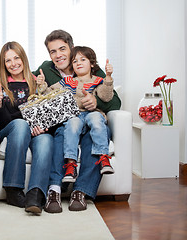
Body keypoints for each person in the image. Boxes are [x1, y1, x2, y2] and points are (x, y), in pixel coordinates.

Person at [33, 30, 121, 213]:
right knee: (60, 134)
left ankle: (81, 191)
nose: (58, 55)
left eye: (62, 49)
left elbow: (115, 101)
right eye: (53, 51)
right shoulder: (46, 68)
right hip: (65, 124)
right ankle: (54, 190)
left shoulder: (89, 65)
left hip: (90, 121)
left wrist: (96, 102)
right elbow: (33, 89)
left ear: (71, 48)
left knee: (94, 136)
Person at [37, 46, 115, 184]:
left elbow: (106, 96)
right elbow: (50, 93)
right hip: (75, 115)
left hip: (92, 113)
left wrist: (108, 77)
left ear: (92, 64)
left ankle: (104, 157)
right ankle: (71, 164)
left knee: (97, 120)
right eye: (75, 61)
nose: (78, 63)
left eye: (82, 60)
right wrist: (42, 85)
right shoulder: (68, 82)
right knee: (71, 125)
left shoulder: (98, 80)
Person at [0, 41, 53, 215]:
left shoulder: (36, 82)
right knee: (20, 125)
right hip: (12, 130)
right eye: (8, 61)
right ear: (3, 64)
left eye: (16, 58)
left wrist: (41, 126)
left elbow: (45, 112)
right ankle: (13, 188)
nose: (13, 64)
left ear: (23, 58)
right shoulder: (1, 84)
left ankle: (36, 194)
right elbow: (3, 122)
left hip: (33, 131)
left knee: (46, 139)